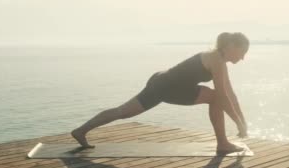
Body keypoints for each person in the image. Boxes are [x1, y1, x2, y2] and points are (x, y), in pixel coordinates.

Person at [71, 32, 249, 154]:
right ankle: (223, 144)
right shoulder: (215, 59)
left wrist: (243, 122)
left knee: (122, 112)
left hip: (162, 81)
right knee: (123, 112)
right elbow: (223, 97)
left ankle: (81, 131)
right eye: (242, 52)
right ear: (231, 46)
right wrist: (239, 124)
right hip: (166, 87)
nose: (242, 58)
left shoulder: (218, 60)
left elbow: (230, 94)